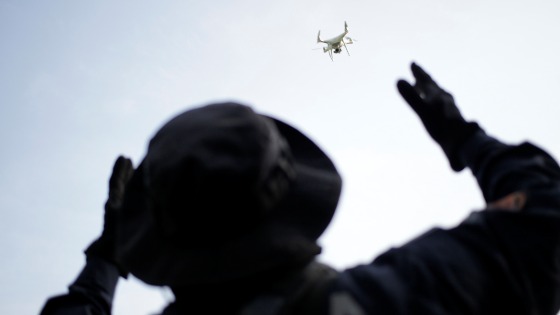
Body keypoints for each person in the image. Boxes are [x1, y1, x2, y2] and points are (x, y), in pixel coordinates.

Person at [40, 63, 560, 315]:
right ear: (290, 204)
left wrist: (109, 252)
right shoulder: (389, 299)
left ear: (155, 240)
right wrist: (465, 137)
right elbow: (547, 217)